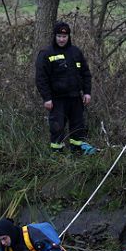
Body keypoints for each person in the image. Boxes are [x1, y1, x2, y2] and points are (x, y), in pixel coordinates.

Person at [35, 21, 96, 154]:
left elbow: (86, 73)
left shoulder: (75, 52)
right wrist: (46, 98)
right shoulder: (46, 53)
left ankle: (77, 152)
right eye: (59, 36)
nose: (61, 39)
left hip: (75, 98)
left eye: (64, 37)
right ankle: (57, 155)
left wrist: (87, 92)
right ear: (54, 36)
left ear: (68, 37)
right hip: (56, 100)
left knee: (78, 127)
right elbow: (41, 79)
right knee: (57, 127)